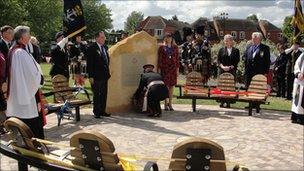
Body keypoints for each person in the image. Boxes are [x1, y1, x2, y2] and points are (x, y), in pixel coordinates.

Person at [6, 26, 45, 139]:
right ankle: (35, 143)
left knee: (21, 118)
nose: (29, 36)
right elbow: (32, 74)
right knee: (30, 119)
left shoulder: (14, 50)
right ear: (22, 37)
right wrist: (40, 78)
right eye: (28, 34)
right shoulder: (20, 52)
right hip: (26, 92)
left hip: (19, 89)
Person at [87, 31, 111, 118]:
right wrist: (90, 76)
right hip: (96, 76)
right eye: (102, 37)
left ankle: (102, 110)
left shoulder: (105, 47)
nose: (104, 38)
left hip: (105, 75)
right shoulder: (91, 48)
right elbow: (90, 63)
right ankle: (97, 112)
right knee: (97, 94)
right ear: (97, 38)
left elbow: (107, 60)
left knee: (104, 94)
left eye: (104, 37)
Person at [217, 34, 240, 108]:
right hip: (222, 71)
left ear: (231, 41)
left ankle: (229, 101)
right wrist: (222, 67)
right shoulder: (221, 50)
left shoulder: (236, 50)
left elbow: (236, 61)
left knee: (230, 86)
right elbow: (218, 60)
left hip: (231, 71)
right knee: (223, 86)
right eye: (225, 41)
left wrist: (230, 67)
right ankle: (222, 101)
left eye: (227, 41)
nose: (226, 42)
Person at [158, 32, 179, 111]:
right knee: (165, 86)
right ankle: (165, 104)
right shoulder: (162, 48)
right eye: (167, 37)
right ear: (165, 38)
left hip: (173, 69)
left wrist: (177, 70)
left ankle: (170, 103)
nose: (169, 38)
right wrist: (159, 69)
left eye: (170, 37)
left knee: (172, 86)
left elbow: (177, 59)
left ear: (172, 38)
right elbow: (160, 60)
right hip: (165, 69)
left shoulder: (175, 47)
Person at [291, 52, 304, 125]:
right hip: (300, 81)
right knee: (297, 100)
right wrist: (298, 73)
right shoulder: (303, 55)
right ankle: (297, 117)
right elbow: (297, 64)